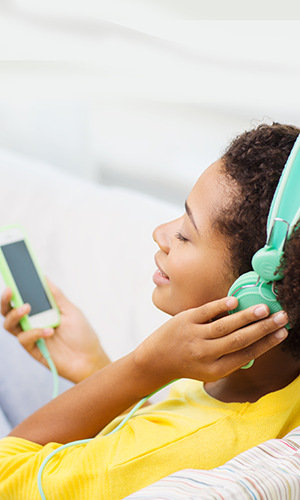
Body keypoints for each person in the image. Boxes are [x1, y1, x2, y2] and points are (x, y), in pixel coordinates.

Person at [0, 122, 299, 500]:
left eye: (186, 233)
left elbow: (7, 473)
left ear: (257, 300)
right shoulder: (267, 384)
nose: (161, 232)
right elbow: (170, 420)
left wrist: (145, 366)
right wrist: (93, 366)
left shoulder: (142, 459)